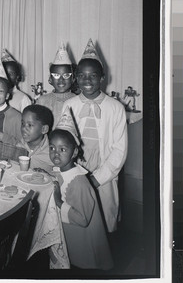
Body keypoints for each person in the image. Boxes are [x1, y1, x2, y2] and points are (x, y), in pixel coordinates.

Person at [62, 39, 128, 233]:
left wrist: (97, 178)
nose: (87, 80)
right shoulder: (70, 105)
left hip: (104, 171)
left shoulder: (115, 108)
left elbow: (119, 149)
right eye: (82, 75)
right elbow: (65, 140)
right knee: (78, 218)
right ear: (76, 78)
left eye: (93, 75)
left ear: (102, 77)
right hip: (76, 169)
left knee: (104, 218)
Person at [49, 111, 113, 270]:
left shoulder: (79, 182)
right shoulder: (60, 169)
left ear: (75, 152)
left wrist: (58, 201)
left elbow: (82, 219)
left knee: (79, 268)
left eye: (62, 149)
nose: (56, 153)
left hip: (81, 240)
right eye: (52, 148)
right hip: (68, 236)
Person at [36, 42, 77, 129]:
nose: (61, 80)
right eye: (56, 75)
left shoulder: (77, 100)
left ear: (73, 79)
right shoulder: (42, 101)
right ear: (50, 80)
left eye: (66, 75)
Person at [18, 105, 54, 172]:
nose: (23, 128)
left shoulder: (52, 152)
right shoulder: (19, 146)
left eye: (30, 125)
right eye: (23, 123)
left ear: (44, 129)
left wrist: (50, 176)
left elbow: (61, 178)